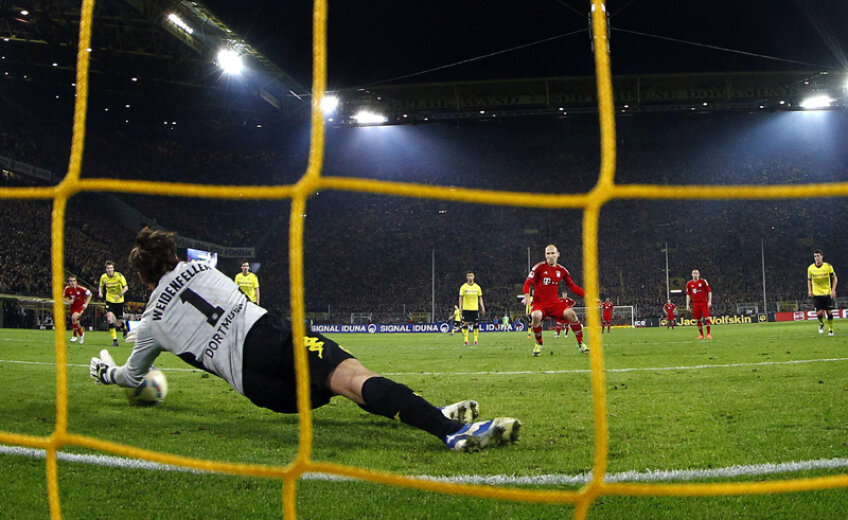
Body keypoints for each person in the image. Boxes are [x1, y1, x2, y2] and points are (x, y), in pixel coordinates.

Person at [89, 228, 520, 452]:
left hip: (257, 389)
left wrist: (107, 372)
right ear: (172, 256)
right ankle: (452, 430)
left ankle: (426, 412)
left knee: (335, 387)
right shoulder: (203, 268)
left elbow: (131, 376)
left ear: (143, 279)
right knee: (351, 379)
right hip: (270, 336)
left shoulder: (149, 324)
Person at [523, 244, 588, 356]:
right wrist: (527, 296)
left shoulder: (562, 271)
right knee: (535, 316)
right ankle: (539, 343)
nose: (550, 256)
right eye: (548, 253)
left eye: (553, 253)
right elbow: (527, 283)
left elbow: (572, 286)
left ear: (558, 254)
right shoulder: (538, 267)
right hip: (540, 303)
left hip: (554, 304)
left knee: (571, 314)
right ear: (545, 255)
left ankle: (581, 343)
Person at [807, 249, 838, 336]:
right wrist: (810, 290)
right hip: (817, 293)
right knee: (819, 313)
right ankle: (821, 323)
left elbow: (834, 278)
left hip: (827, 293)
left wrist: (833, 289)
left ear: (822, 256)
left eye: (818, 256)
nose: (816, 258)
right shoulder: (810, 268)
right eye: (815, 256)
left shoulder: (828, 267)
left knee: (829, 312)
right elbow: (809, 280)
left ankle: (831, 330)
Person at [99, 260, 128, 346]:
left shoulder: (119, 276)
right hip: (109, 300)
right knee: (109, 319)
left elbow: (126, 287)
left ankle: (124, 327)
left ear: (113, 268)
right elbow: (100, 286)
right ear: (106, 269)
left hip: (119, 301)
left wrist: (119, 294)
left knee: (118, 323)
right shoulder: (103, 277)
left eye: (111, 268)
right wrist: (100, 292)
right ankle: (115, 341)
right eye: (108, 268)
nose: (110, 269)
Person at [458, 271, 485, 345]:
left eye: (471, 276)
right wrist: (460, 307)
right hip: (466, 308)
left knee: (475, 324)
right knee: (465, 324)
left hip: (475, 308)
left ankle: (475, 340)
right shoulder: (463, 287)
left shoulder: (477, 287)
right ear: (466, 277)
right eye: (469, 276)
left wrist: (482, 307)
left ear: (474, 277)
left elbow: (480, 298)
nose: (470, 277)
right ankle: (466, 340)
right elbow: (460, 298)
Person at [63, 275, 91, 344]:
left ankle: (74, 336)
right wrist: (68, 301)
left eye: (73, 281)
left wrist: (86, 304)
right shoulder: (67, 289)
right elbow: (62, 297)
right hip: (73, 307)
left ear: (76, 281)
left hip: (80, 307)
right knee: (76, 321)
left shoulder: (81, 288)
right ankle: (81, 335)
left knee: (74, 317)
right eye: (70, 281)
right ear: (69, 282)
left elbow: (90, 294)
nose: (72, 282)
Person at [685, 269, 712, 339]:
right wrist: (687, 304)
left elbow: (709, 291)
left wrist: (709, 301)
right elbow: (688, 295)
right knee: (698, 319)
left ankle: (708, 333)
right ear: (692, 274)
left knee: (707, 318)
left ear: (699, 274)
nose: (695, 274)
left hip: (703, 302)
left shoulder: (703, 281)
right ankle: (701, 335)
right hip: (695, 304)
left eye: (696, 273)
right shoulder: (689, 284)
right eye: (694, 273)